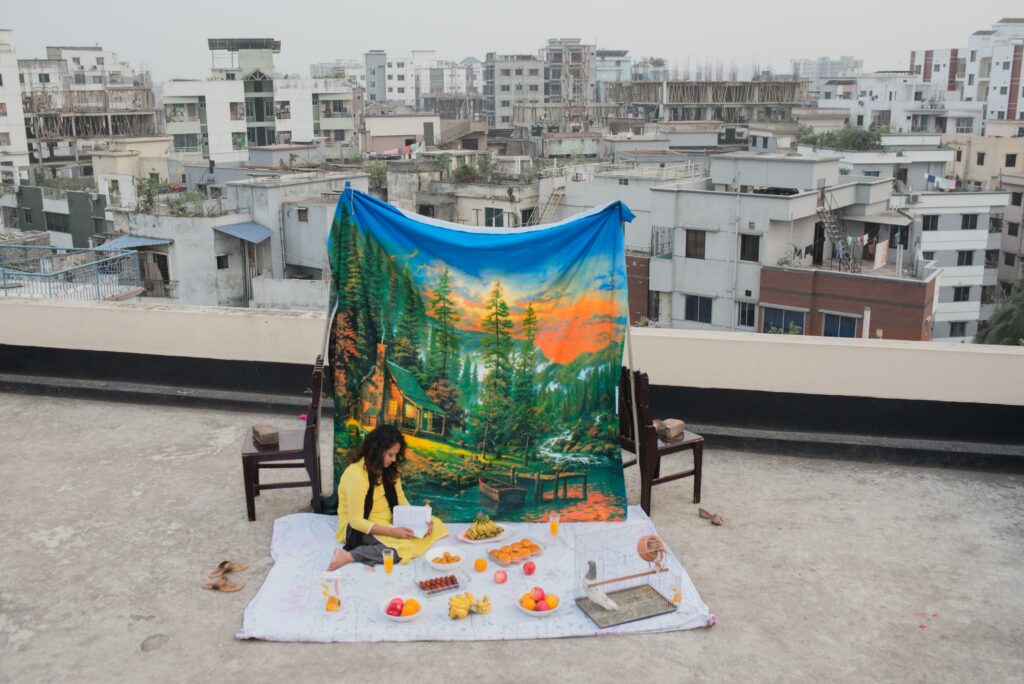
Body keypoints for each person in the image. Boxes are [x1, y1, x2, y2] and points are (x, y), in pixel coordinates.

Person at [327, 424, 448, 570]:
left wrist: (421, 521)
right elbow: (356, 522)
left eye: (396, 454)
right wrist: (393, 532)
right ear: (378, 451)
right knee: (401, 549)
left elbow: (401, 501)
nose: (394, 459)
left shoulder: (389, 471)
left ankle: (401, 539)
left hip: (388, 519)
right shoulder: (356, 475)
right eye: (390, 454)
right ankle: (349, 555)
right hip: (359, 527)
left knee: (435, 524)